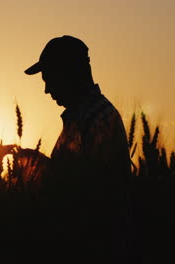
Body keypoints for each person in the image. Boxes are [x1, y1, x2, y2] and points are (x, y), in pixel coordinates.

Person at [24, 35, 133, 262]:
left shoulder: (96, 118)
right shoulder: (86, 115)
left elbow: (89, 191)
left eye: (49, 78)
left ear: (69, 73)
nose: (46, 89)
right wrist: (36, 161)